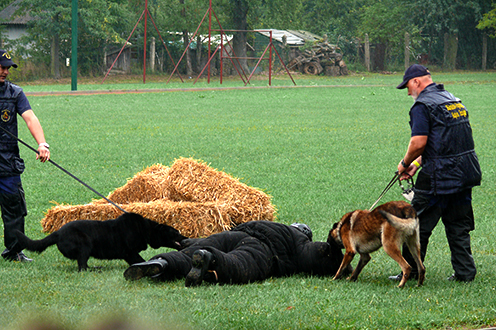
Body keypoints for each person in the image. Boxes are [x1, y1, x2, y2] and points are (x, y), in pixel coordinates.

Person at [389, 64, 481, 283]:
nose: (409, 93)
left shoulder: (422, 105)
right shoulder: (453, 100)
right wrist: (417, 164)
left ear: (417, 82)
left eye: (408, 87)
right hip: (465, 172)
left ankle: (410, 272)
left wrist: (405, 163)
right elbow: (447, 141)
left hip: (439, 176)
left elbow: (419, 142)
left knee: (415, 225)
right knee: (458, 225)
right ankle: (465, 273)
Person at [123, 221, 349, 286]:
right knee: (239, 262)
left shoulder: (272, 223)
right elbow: (323, 257)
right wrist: (338, 248)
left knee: (189, 253)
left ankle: (161, 263)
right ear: (306, 234)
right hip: (262, 248)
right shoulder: (298, 240)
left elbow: (194, 241)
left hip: (232, 234)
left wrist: (188, 242)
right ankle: (209, 259)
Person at [0, 49, 50, 262]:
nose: (5, 72)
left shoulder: (15, 93)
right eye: (1, 67)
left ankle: (13, 252)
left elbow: (30, 117)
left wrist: (42, 143)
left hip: (8, 162)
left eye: (7, 68)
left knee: (14, 209)